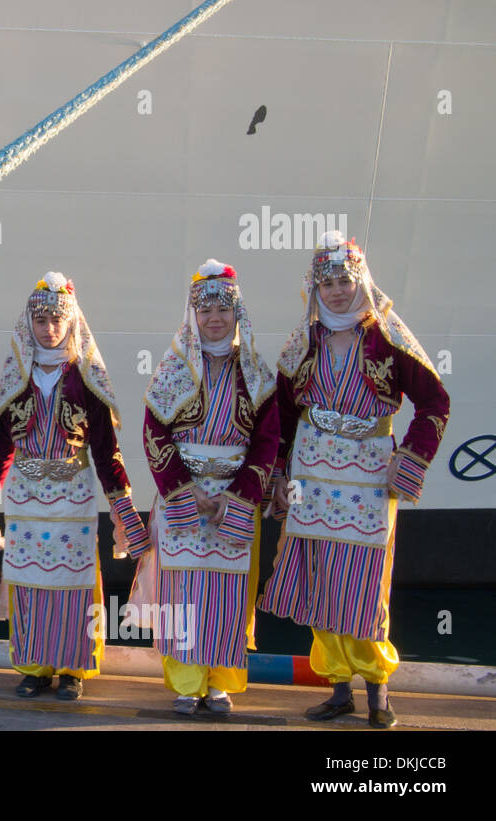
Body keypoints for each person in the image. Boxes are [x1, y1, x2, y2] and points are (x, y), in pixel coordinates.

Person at [259, 231, 449, 728]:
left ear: (361, 280)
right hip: (311, 476)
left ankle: (378, 694)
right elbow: (280, 413)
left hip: (368, 479)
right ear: (314, 289)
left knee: (364, 587)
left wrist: (408, 461)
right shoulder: (305, 341)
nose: (338, 291)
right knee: (321, 582)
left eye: (345, 280)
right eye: (328, 282)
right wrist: (278, 474)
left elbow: (435, 402)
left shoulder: (388, 337)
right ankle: (338, 689)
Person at [0, 273, 148, 700]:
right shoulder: (17, 377)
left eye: (56, 320)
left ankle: (73, 668)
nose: (48, 328)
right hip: (26, 495)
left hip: (73, 492)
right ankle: (34, 666)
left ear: (71, 323)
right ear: (29, 324)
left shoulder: (86, 377)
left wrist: (122, 504)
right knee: (27, 581)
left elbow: (105, 449)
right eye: (41, 320)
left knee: (75, 582)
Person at [130, 260, 279, 715]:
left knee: (230, 592)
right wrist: (182, 487)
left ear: (238, 314)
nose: (215, 318)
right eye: (205, 309)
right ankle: (186, 681)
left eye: (223, 309)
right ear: (192, 314)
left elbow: (269, 439)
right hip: (184, 494)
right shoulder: (173, 367)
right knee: (183, 590)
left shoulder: (254, 370)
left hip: (236, 496)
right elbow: (153, 431)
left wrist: (241, 494)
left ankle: (220, 681)